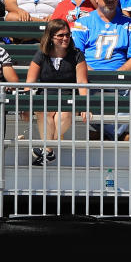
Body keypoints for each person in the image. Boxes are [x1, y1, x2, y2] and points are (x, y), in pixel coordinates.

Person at [26, 21, 87, 166]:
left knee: (63, 115)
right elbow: (29, 83)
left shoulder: (77, 54)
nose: (65, 38)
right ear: (51, 37)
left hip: (68, 97)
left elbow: (82, 82)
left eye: (67, 35)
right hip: (45, 97)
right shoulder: (41, 54)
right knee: (43, 112)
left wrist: (85, 106)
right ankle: (51, 147)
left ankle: (47, 149)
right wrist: (25, 106)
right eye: (60, 35)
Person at [73, 0, 131, 72]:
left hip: (119, 80)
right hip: (89, 78)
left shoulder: (129, 24)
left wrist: (115, 76)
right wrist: (92, 75)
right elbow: (76, 56)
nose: (110, 0)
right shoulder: (82, 23)